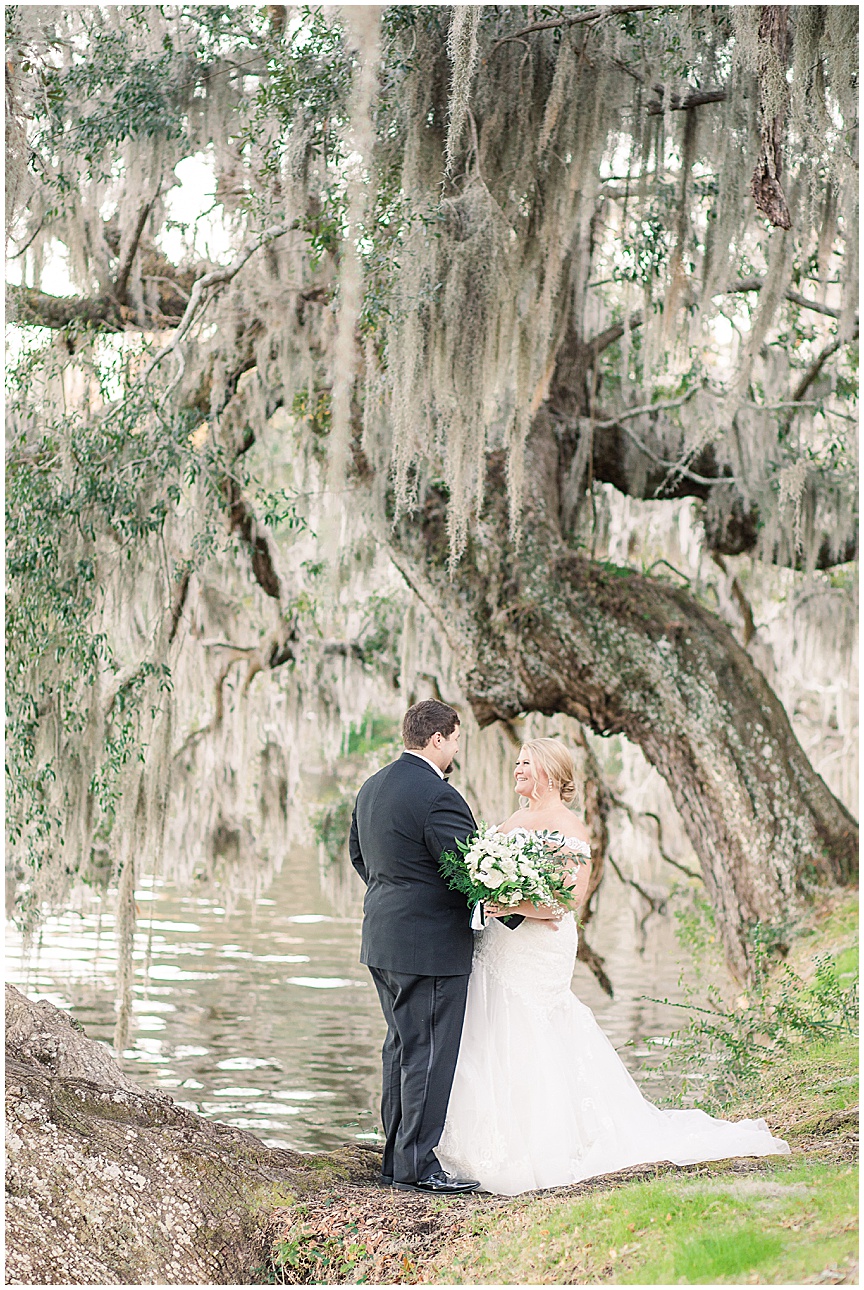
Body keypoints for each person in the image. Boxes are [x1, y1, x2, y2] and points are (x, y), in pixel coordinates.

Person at [436, 737, 790, 1196]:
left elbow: (568, 898)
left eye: (526, 762)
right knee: (487, 1026)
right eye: (518, 761)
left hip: (539, 947)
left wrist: (510, 903)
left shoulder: (570, 828)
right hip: (498, 944)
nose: (517, 768)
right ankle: (475, 1141)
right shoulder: (511, 822)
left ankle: (543, 1144)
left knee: (528, 1027)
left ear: (548, 771)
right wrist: (492, 897)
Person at [349, 699, 486, 1194]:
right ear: (437, 739)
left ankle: (396, 1160)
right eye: (454, 739)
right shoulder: (437, 796)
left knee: (402, 1048)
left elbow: (359, 857)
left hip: (382, 938)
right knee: (428, 1053)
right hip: (429, 945)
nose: (455, 749)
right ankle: (417, 1168)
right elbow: (469, 872)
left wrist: (397, 896)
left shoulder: (372, 787)